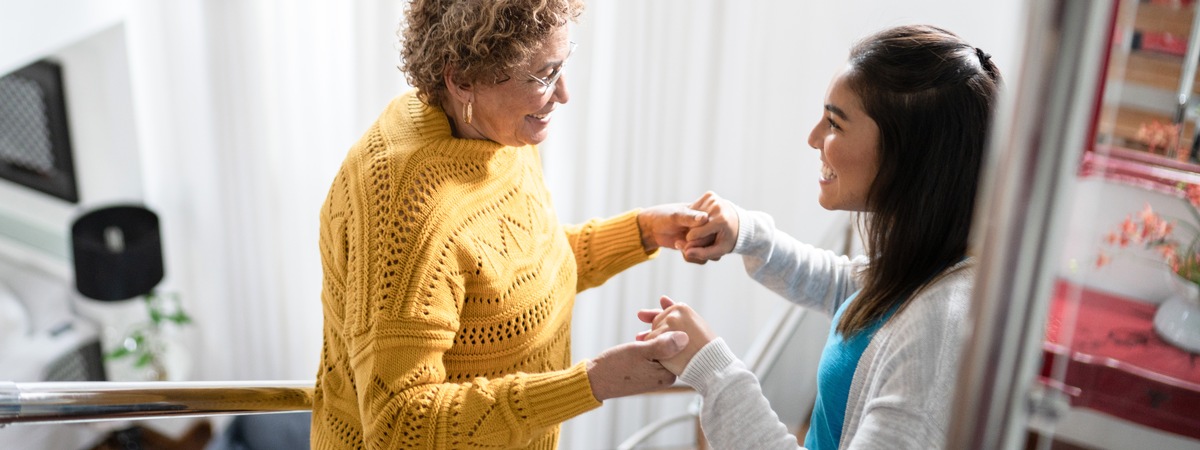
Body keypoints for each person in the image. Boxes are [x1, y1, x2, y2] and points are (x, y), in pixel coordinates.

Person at [310, 0, 705, 448]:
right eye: (543, 76)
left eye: (562, 65)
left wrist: (643, 231)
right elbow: (398, 423)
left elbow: (514, 275)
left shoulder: (493, 132)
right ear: (461, 79)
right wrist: (591, 383)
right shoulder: (407, 207)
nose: (563, 94)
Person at [637, 24, 1002, 449]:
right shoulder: (929, 265)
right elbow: (846, 285)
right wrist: (747, 233)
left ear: (908, 154)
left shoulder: (936, 330)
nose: (813, 138)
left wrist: (713, 371)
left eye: (834, 123)